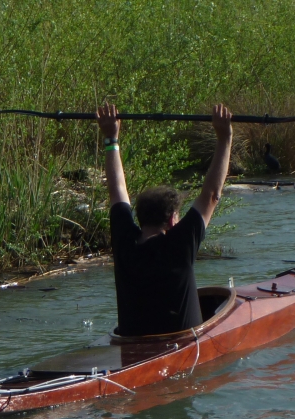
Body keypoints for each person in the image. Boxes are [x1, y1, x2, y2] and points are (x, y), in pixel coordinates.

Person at [96, 102, 233, 336]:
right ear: (172, 220)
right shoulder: (179, 244)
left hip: (131, 346)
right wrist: (225, 139)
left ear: (140, 217)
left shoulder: (125, 241)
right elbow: (212, 194)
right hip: (179, 348)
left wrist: (111, 139)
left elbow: (117, 189)